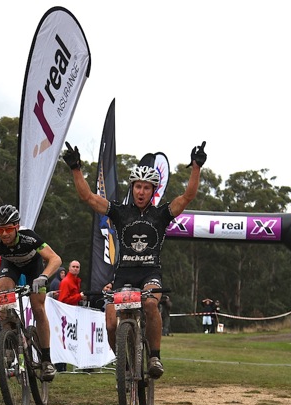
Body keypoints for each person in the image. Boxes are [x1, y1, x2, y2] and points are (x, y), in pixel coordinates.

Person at [63, 140, 206, 378]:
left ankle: (154, 358)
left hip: (150, 273)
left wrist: (196, 167)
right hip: (124, 274)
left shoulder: (161, 213)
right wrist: (76, 169)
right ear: (132, 188)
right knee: (110, 322)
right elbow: (88, 197)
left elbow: (188, 197)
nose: (141, 192)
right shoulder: (120, 211)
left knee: (150, 304)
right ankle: (123, 361)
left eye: (146, 188)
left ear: (153, 191)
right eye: (137, 187)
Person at [0, 205, 62, 381]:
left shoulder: (29, 237)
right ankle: (10, 337)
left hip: (34, 268)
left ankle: (46, 360)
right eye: (0, 230)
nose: (4, 234)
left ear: (16, 226)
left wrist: (44, 276)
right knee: (2, 293)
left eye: (8, 229)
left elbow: (55, 258)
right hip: (10, 266)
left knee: (38, 309)